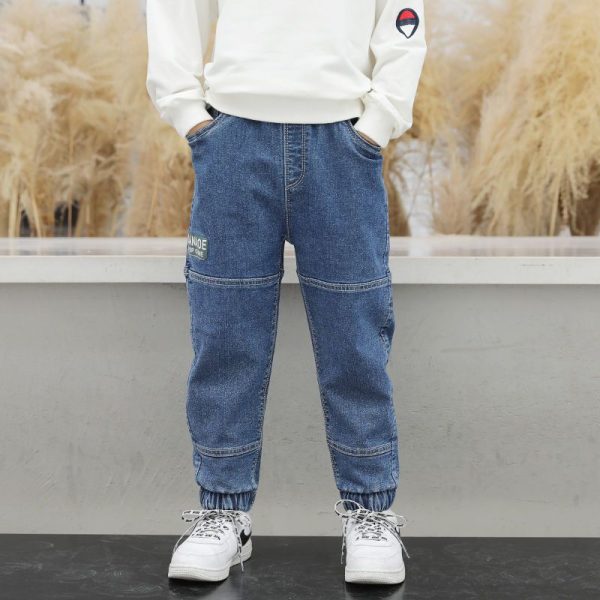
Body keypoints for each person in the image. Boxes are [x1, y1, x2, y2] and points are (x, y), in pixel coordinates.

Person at [146, 0, 426, 585]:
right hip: (233, 140)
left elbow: (402, 26)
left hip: (343, 144)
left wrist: (376, 125)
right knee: (224, 335)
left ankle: (369, 513)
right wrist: (188, 113)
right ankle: (223, 511)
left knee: (356, 337)